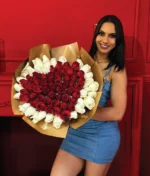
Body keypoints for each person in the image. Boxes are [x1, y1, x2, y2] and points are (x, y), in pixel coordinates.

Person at [50, 15, 127, 176]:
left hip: (101, 136)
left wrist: (83, 113)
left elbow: (118, 112)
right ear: (95, 35)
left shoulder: (117, 70)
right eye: (101, 33)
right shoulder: (80, 60)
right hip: (75, 133)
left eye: (112, 36)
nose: (105, 40)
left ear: (117, 40)